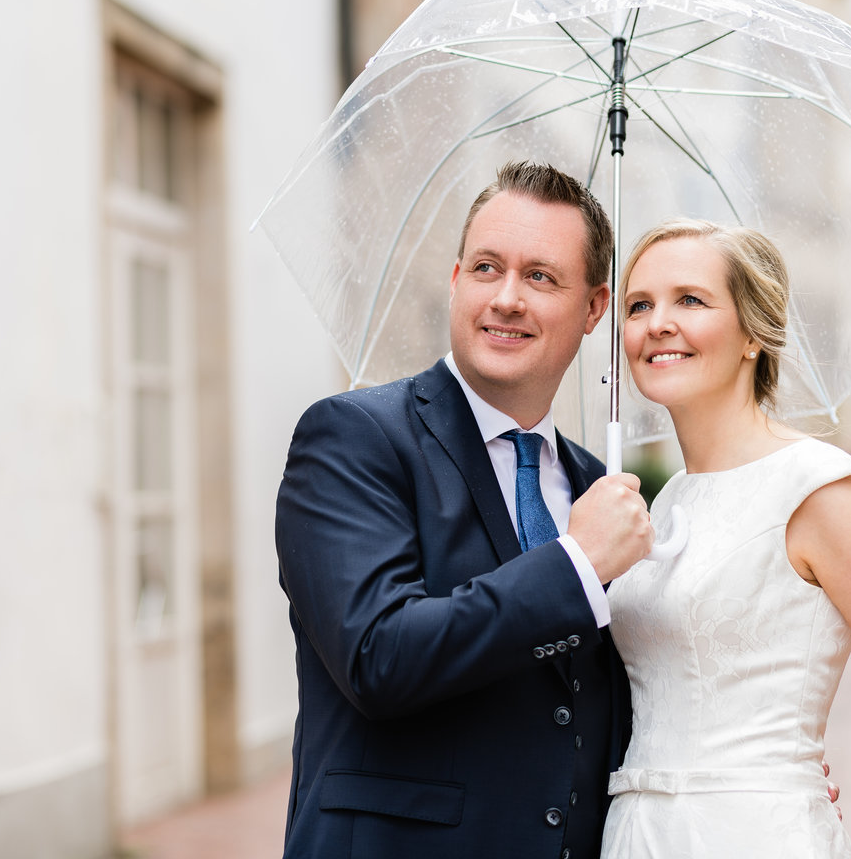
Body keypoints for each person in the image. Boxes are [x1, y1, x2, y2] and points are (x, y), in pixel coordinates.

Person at [274, 162, 655, 859]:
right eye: (486, 268)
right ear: (456, 281)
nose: (506, 298)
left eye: (540, 277)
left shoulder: (598, 487)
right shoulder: (352, 439)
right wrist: (575, 566)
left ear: (595, 307)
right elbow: (378, 657)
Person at [601, 220, 851, 859]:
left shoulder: (817, 489)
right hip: (640, 838)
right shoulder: (656, 506)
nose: (657, 322)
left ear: (753, 333)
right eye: (639, 305)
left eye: (689, 300)